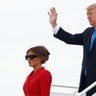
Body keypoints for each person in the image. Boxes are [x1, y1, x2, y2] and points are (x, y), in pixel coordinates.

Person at [48, 3, 96, 96]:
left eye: (90, 14)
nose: (88, 17)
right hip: (87, 82)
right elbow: (70, 38)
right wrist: (54, 25)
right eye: (87, 14)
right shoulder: (88, 32)